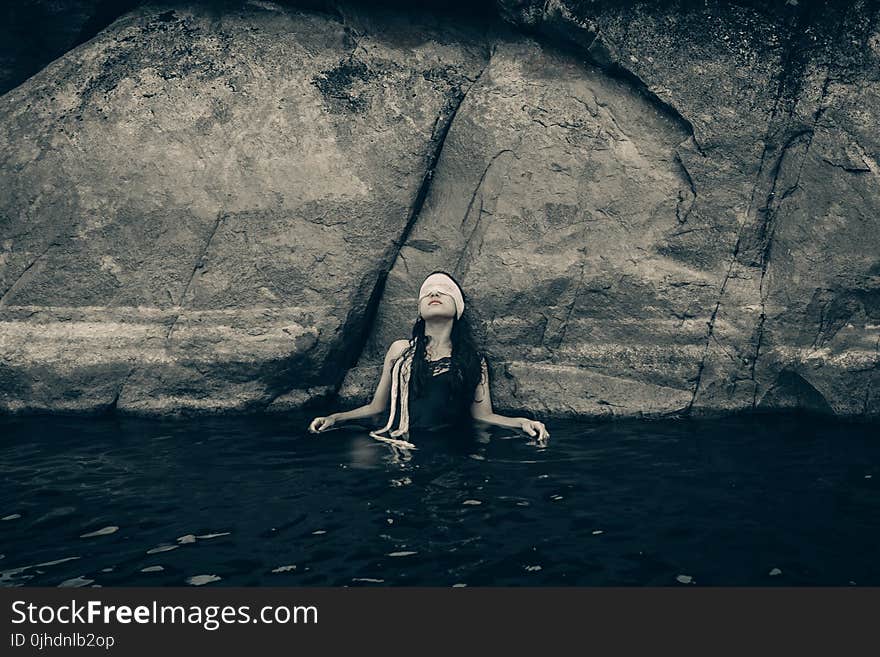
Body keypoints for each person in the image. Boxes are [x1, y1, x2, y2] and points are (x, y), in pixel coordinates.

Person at [308, 270, 550, 447]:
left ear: (458, 308)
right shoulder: (400, 351)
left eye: (444, 291)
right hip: (389, 439)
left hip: (443, 445)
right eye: (427, 292)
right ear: (420, 310)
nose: (434, 292)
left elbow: (483, 416)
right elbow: (377, 407)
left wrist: (522, 422)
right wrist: (334, 418)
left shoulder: (473, 360)